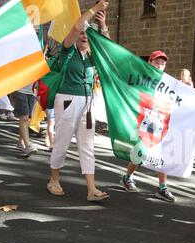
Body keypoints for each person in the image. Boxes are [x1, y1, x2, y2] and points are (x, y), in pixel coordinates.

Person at [47, 0, 110, 202]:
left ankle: (91, 189)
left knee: (87, 145)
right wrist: (94, 9)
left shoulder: (92, 57)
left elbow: (107, 50)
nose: (83, 36)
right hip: (67, 100)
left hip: (87, 104)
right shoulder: (68, 50)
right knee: (62, 142)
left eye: (87, 34)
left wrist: (102, 26)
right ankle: (54, 179)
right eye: (82, 34)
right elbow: (76, 27)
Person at [119, 50, 176, 202]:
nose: (159, 66)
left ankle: (162, 187)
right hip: (142, 121)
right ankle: (127, 177)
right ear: (149, 62)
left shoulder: (167, 83)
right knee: (139, 152)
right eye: (157, 62)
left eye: (163, 64)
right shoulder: (140, 78)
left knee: (162, 153)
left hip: (159, 121)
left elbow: (182, 96)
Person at [12, 84, 38, 157]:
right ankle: (28, 145)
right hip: (20, 90)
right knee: (24, 118)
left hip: (33, 92)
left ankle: (21, 142)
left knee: (28, 119)